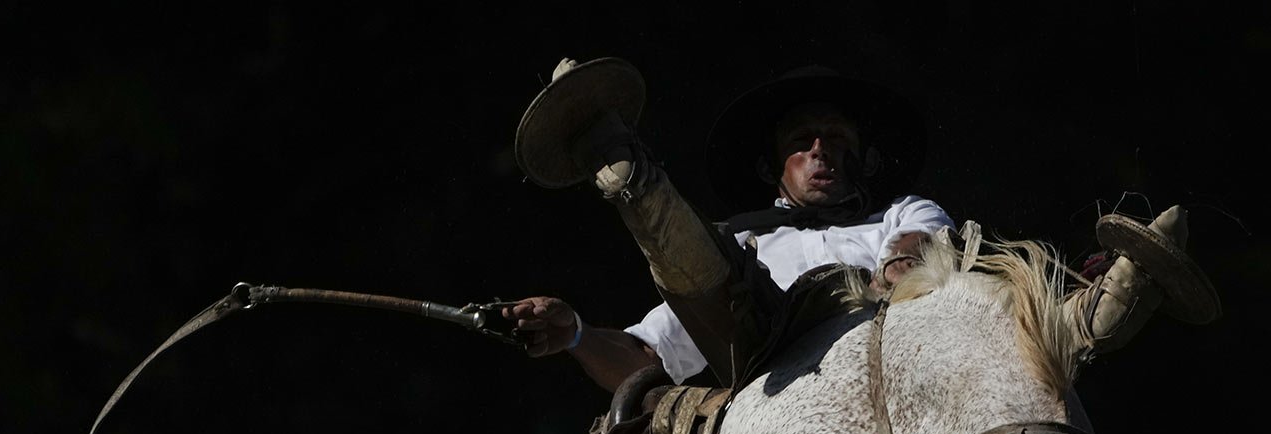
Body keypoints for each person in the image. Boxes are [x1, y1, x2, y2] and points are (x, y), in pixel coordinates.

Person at [507, 58, 1218, 397]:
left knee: (984, 283)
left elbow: (919, 250)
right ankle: (625, 169)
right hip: (768, 369)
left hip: (898, 354)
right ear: (773, 163)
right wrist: (574, 332)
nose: (820, 150)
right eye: (802, 139)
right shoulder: (745, 241)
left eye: (836, 139)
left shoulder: (901, 214)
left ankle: (1086, 319)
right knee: (709, 263)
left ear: (861, 159)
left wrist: (898, 274)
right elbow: (645, 356)